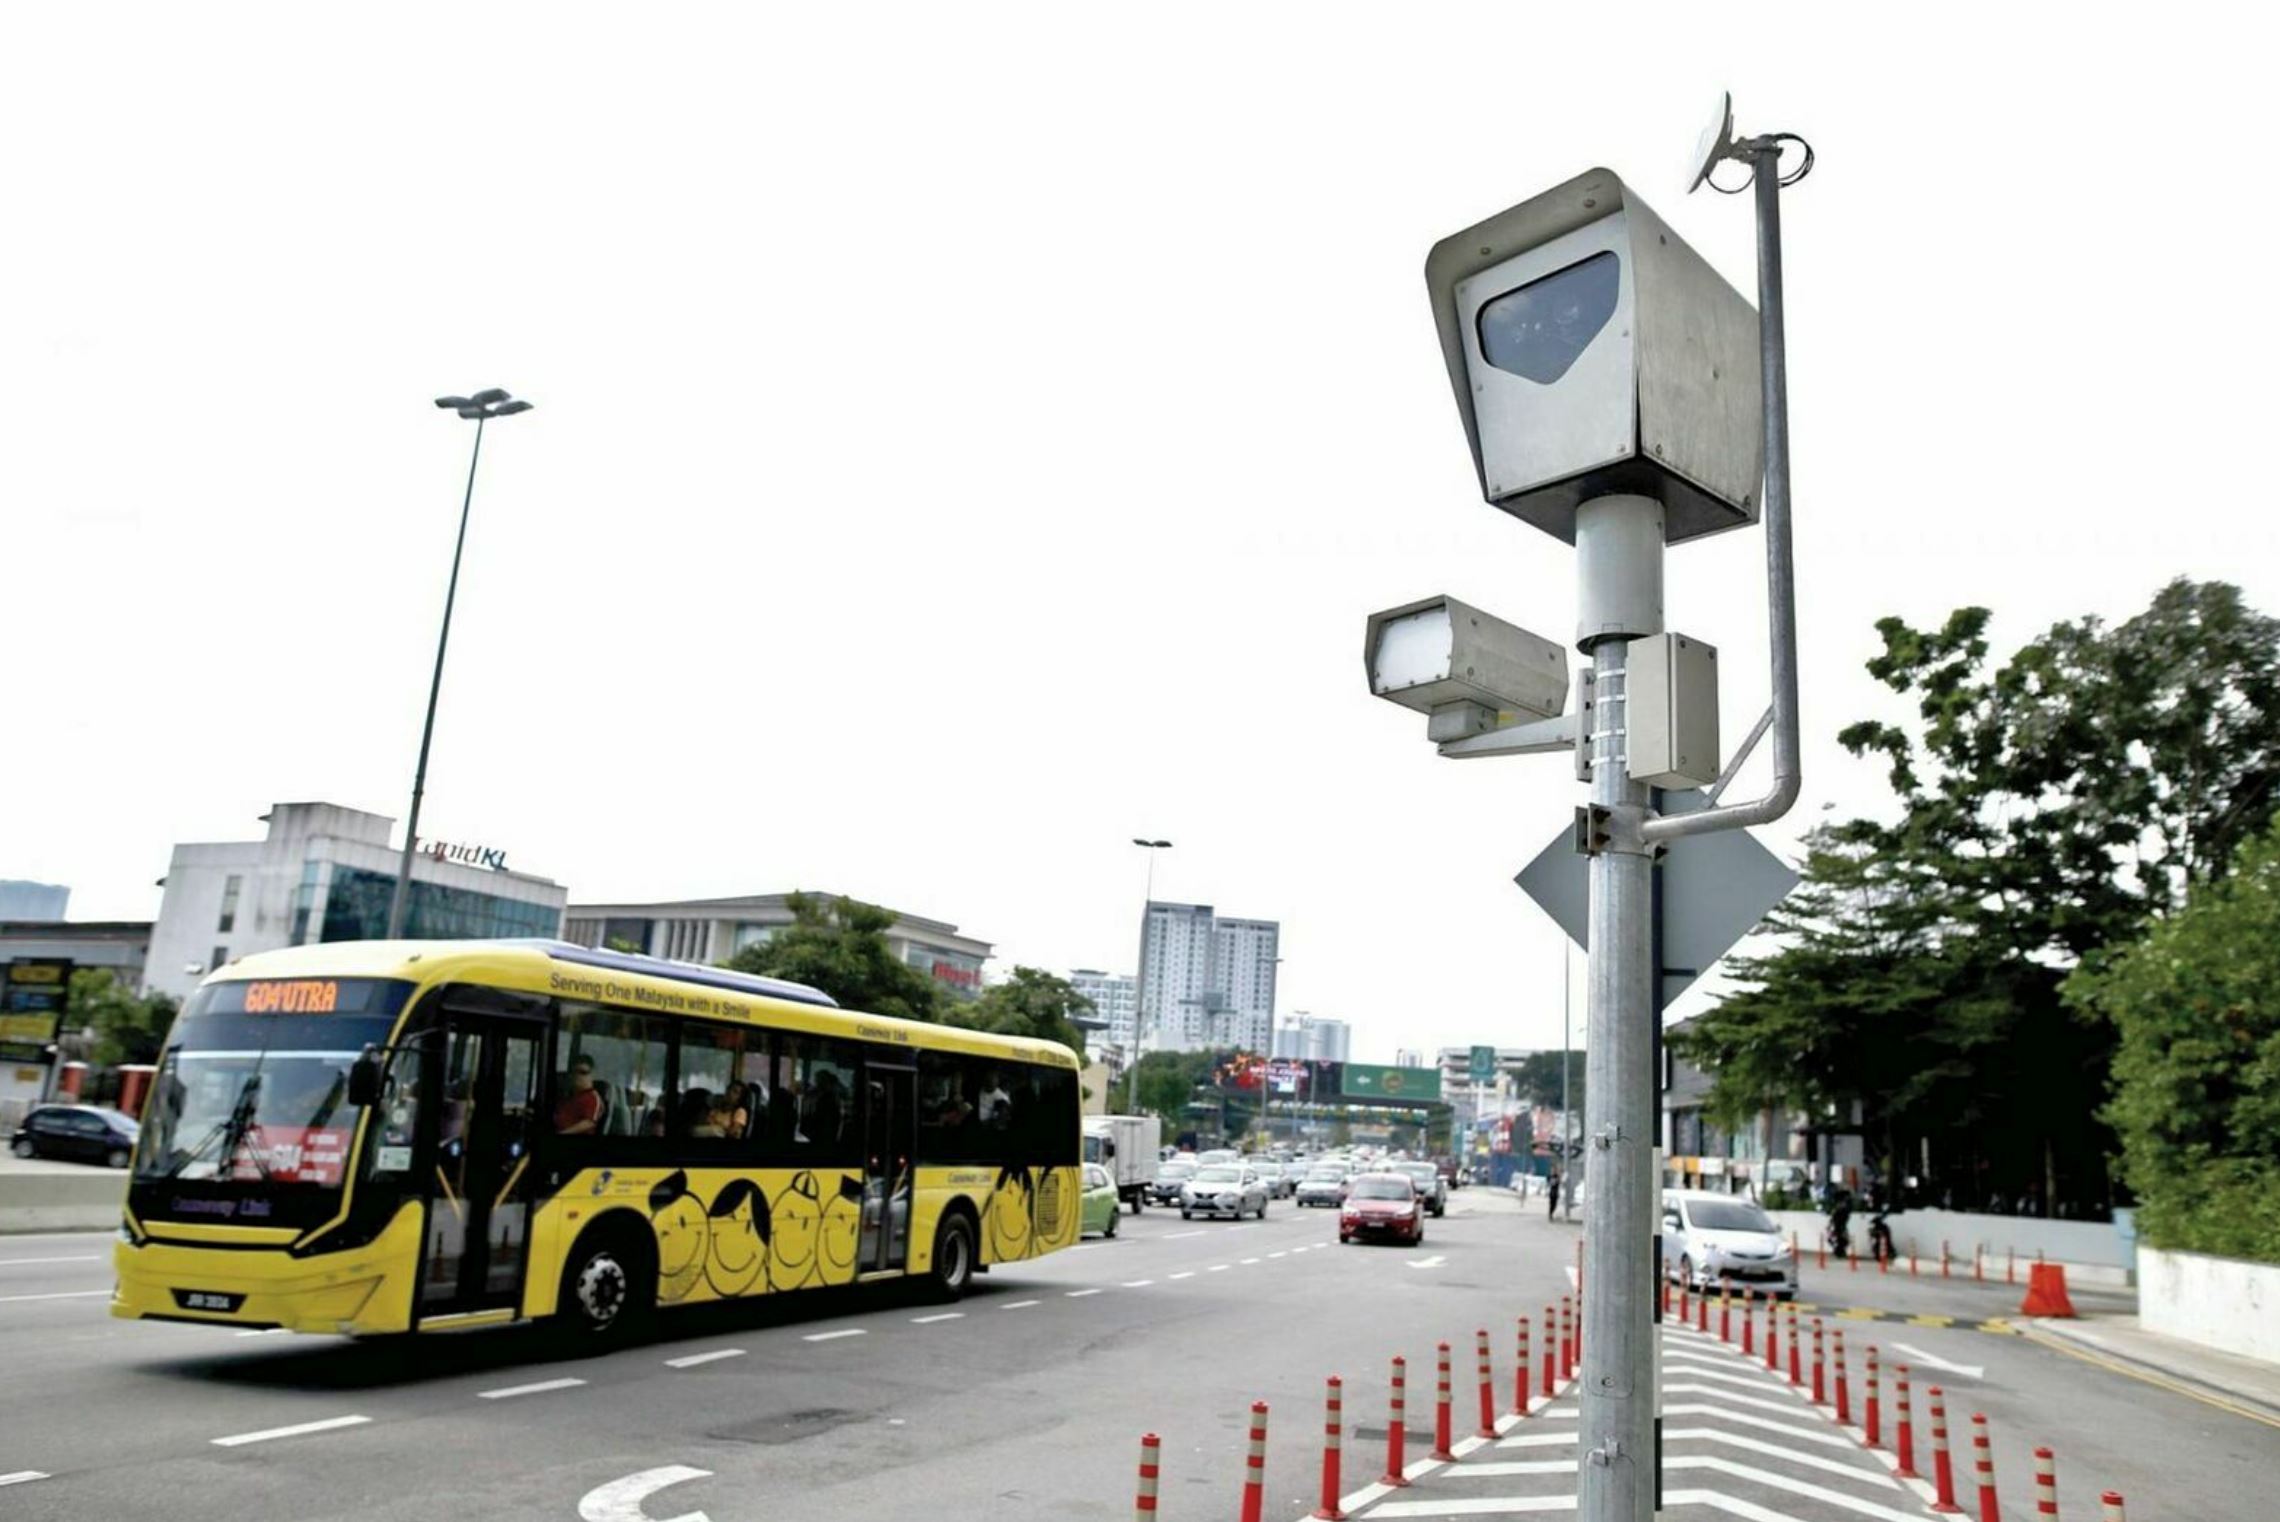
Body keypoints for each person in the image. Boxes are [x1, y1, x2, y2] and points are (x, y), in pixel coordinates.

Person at [554, 1056, 602, 1135]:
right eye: (574, 1072)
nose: (578, 1076)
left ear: (592, 1075)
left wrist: (563, 1133)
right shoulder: (569, 1095)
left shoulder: (593, 1098)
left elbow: (589, 1123)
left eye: (583, 1072)